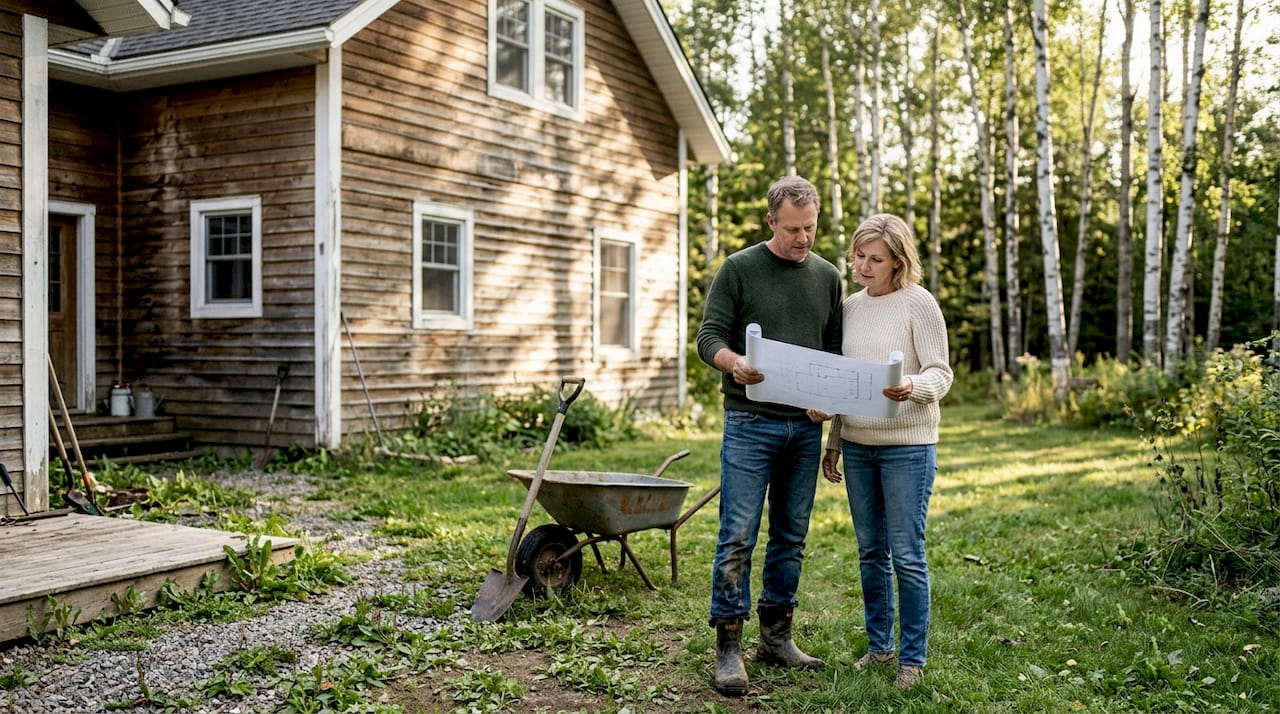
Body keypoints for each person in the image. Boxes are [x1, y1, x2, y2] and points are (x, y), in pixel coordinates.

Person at [696, 175, 844, 696]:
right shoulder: (739, 269)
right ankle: (728, 646)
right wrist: (732, 362)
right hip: (749, 422)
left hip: (803, 427)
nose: (803, 238)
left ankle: (777, 638)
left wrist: (829, 402)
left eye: (810, 228)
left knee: (791, 536)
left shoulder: (828, 277)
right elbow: (707, 337)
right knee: (737, 534)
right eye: (792, 229)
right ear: (771, 222)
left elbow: (834, 353)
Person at [818, 213, 953, 689]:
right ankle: (880, 650)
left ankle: (911, 661)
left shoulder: (919, 303)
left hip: (907, 448)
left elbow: (941, 373)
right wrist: (834, 442)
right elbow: (847, 383)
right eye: (859, 256)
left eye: (875, 259)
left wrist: (912, 385)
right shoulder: (851, 308)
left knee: (907, 555)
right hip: (858, 446)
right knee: (870, 553)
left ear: (898, 260)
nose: (863, 266)